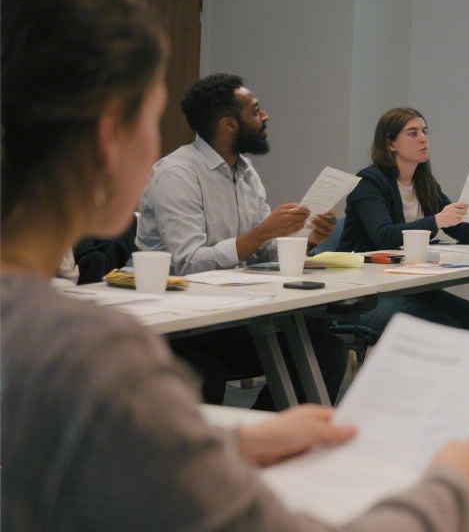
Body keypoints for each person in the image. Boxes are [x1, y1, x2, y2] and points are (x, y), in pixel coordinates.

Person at [0, 0, 469, 530]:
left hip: (226, 338)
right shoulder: (98, 366)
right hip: (198, 317)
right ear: (108, 139)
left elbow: (111, 475)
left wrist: (228, 450)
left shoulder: (48, 348)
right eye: (150, 115)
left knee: (315, 343)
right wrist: (453, 490)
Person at [134, 73, 350, 409]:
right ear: (228, 124)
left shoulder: (245, 172)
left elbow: (261, 252)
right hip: (181, 323)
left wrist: (308, 240)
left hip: (231, 314)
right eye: (256, 111)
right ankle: (235, 449)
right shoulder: (177, 174)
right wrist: (262, 231)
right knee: (206, 374)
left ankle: (267, 445)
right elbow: (187, 265)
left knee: (326, 351)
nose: (265, 117)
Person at [338, 107, 469, 333]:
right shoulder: (369, 183)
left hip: (407, 286)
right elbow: (384, 236)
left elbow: (457, 227)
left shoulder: (423, 182)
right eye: (413, 133)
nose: (423, 139)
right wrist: (437, 220)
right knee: (445, 329)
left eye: (424, 131)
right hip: (366, 292)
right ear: (391, 144)